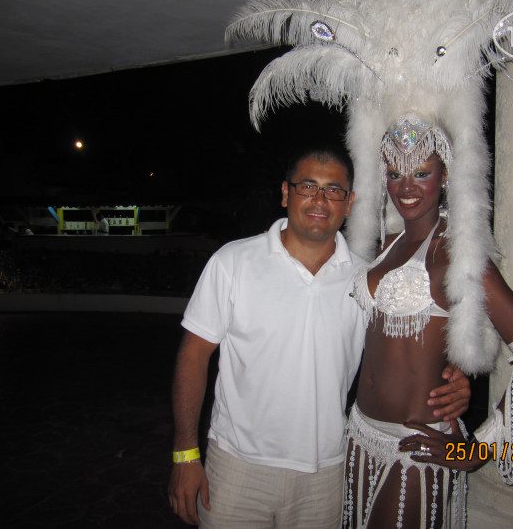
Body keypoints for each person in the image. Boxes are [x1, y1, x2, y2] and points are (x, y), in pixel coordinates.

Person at [168, 146, 472, 528]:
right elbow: (193, 356)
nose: (320, 199)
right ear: (285, 193)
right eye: (308, 186)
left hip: (325, 475)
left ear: (349, 203)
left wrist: (454, 376)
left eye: (334, 190)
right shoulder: (234, 262)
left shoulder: (366, 281)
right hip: (236, 467)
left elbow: (405, 351)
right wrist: (185, 453)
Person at [342, 117, 513, 529]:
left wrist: (479, 447)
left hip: (415, 445)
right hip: (359, 431)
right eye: (395, 173)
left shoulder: (459, 254)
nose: (406, 187)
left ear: (445, 176)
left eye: (421, 173)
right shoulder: (388, 244)